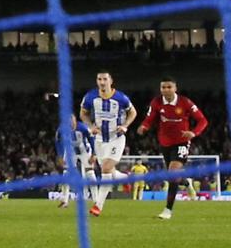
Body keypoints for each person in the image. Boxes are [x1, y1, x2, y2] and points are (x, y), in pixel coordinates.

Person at [136, 76, 208, 220]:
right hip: (164, 142)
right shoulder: (156, 102)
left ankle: (168, 210)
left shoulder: (185, 102)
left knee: (173, 172)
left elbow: (202, 120)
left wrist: (193, 133)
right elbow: (150, 118)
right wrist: (144, 126)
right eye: (163, 87)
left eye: (169, 87)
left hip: (181, 142)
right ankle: (186, 183)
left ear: (175, 88)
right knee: (172, 175)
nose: (166, 90)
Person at [80, 70, 137, 216]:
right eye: (99, 79)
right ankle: (127, 178)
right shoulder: (90, 97)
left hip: (116, 138)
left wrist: (125, 126)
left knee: (105, 169)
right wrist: (90, 126)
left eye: (105, 79)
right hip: (99, 140)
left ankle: (98, 205)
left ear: (111, 81)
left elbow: (133, 112)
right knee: (109, 172)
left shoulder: (121, 98)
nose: (102, 82)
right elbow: (83, 113)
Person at [54, 114, 95, 209]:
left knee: (90, 174)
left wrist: (94, 154)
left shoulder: (83, 127)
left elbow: (92, 139)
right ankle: (64, 201)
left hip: (84, 150)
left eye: (72, 121)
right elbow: (57, 141)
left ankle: (96, 200)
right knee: (65, 175)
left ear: (75, 120)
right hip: (71, 151)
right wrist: (60, 155)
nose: (70, 124)